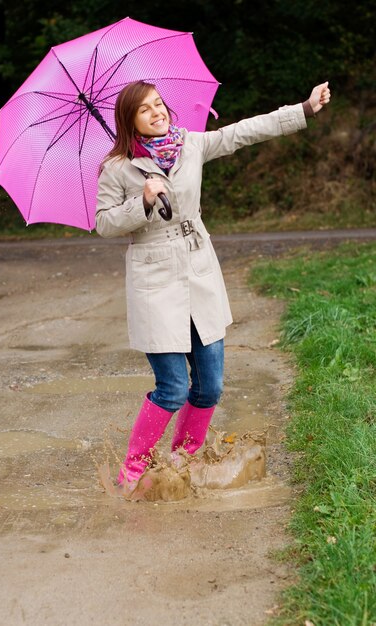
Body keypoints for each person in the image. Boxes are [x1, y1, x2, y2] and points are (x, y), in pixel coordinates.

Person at [95, 79, 331, 485]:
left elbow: (243, 132)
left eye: (159, 104)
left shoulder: (191, 145)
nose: (158, 112)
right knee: (171, 388)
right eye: (145, 110)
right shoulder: (116, 169)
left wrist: (303, 109)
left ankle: (182, 464)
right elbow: (104, 224)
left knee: (210, 387)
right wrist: (144, 200)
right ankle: (133, 468)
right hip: (154, 281)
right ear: (130, 121)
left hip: (198, 269)